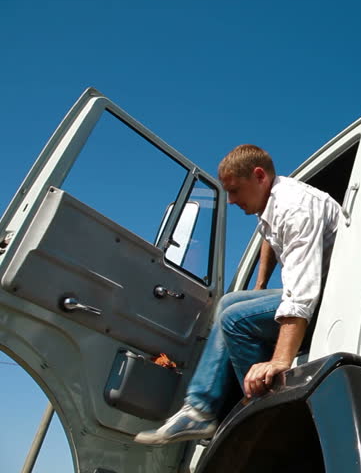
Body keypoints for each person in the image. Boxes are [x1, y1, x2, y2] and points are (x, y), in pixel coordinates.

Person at [135, 144, 340, 445]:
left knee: (235, 319)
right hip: (315, 290)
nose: (230, 201)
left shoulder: (296, 208)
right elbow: (268, 238)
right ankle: (200, 410)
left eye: (234, 191)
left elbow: (302, 295)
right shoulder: (270, 201)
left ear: (259, 176)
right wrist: (259, 286)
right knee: (230, 301)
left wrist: (280, 361)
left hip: (334, 297)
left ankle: (263, 408)